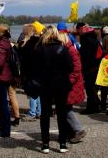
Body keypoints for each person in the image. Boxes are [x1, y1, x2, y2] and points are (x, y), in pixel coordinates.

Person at [33, 26, 73, 154]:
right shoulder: (63, 49)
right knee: (61, 113)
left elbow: (35, 68)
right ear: (56, 34)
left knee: (45, 114)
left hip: (45, 84)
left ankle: (45, 144)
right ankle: (62, 143)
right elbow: (70, 67)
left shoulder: (39, 49)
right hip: (61, 84)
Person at [62, 32, 87, 144]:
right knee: (65, 107)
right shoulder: (69, 49)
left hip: (72, 84)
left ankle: (78, 129)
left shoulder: (71, 50)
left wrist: (68, 81)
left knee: (66, 107)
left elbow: (76, 69)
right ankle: (70, 131)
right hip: (71, 83)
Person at [78, 25, 103, 114]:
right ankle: (95, 106)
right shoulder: (95, 40)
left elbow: (85, 56)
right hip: (96, 66)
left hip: (89, 67)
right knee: (92, 88)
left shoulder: (86, 41)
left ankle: (92, 107)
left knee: (89, 88)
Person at [19, 25, 42, 121]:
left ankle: (32, 112)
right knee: (39, 93)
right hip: (40, 71)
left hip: (31, 72)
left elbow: (24, 60)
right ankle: (39, 111)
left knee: (32, 93)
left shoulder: (28, 44)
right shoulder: (41, 42)